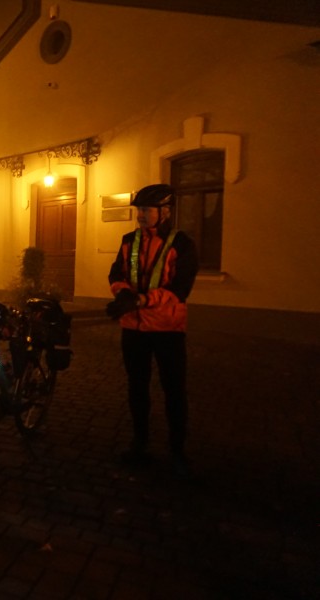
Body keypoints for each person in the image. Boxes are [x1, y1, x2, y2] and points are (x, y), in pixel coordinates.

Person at [107, 184, 199, 477]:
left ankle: (177, 451)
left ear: (165, 212)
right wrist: (123, 294)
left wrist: (142, 300)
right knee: (137, 387)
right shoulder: (129, 240)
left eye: (146, 210)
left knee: (174, 390)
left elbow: (180, 289)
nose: (140, 215)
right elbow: (116, 273)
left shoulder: (182, 244)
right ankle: (140, 444)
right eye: (139, 210)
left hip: (167, 329)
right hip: (134, 328)